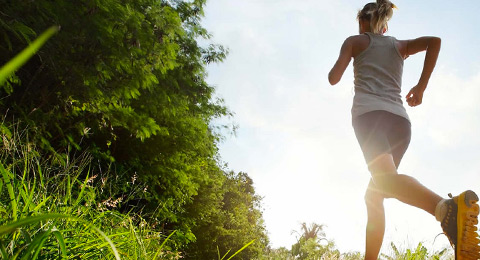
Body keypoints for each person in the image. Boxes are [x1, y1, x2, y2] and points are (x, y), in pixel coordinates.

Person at [328, 1, 480, 259]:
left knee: (385, 182)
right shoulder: (399, 46)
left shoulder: (355, 41)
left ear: (362, 22)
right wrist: (420, 87)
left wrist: (347, 56)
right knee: (375, 193)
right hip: (400, 123)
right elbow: (435, 41)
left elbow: (333, 77)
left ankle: (445, 209)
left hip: (370, 117)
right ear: (385, 26)